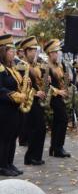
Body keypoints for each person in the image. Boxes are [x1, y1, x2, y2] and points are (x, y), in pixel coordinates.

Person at [0, 34, 26, 176]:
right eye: (10, 50)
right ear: (3, 51)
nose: (13, 53)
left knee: (12, 137)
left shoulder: (11, 68)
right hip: (4, 110)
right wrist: (15, 96)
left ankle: (9, 163)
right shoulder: (0, 68)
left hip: (14, 109)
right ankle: (2, 166)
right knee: (4, 138)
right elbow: (0, 89)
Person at [18, 36, 47, 165]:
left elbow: (37, 82)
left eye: (35, 50)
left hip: (37, 101)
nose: (34, 53)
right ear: (26, 51)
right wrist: (36, 93)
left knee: (40, 129)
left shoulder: (34, 66)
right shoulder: (21, 66)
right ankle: (30, 157)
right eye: (32, 51)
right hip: (30, 101)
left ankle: (35, 156)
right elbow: (21, 86)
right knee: (35, 129)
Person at [45, 39, 71, 158]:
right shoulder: (47, 66)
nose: (58, 54)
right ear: (50, 53)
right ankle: (58, 147)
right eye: (56, 52)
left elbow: (62, 80)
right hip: (53, 98)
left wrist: (68, 80)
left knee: (57, 122)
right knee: (63, 120)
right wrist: (59, 91)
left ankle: (54, 147)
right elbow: (45, 85)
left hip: (60, 97)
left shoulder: (59, 65)